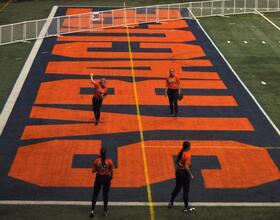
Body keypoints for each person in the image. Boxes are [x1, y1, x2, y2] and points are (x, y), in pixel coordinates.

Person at [168, 141, 195, 213]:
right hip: (184, 174)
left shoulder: (180, 153)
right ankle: (186, 207)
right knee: (186, 190)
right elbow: (186, 166)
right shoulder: (187, 155)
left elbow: (178, 162)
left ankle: (171, 202)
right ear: (188, 147)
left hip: (178, 172)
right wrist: (190, 174)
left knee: (177, 188)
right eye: (189, 146)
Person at [90, 148, 114, 217]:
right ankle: (105, 211)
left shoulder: (97, 161)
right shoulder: (109, 161)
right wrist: (110, 177)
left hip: (99, 178)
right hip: (106, 179)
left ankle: (92, 210)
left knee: (95, 194)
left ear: (100, 153)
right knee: (105, 194)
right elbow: (111, 171)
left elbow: (93, 171)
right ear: (105, 154)